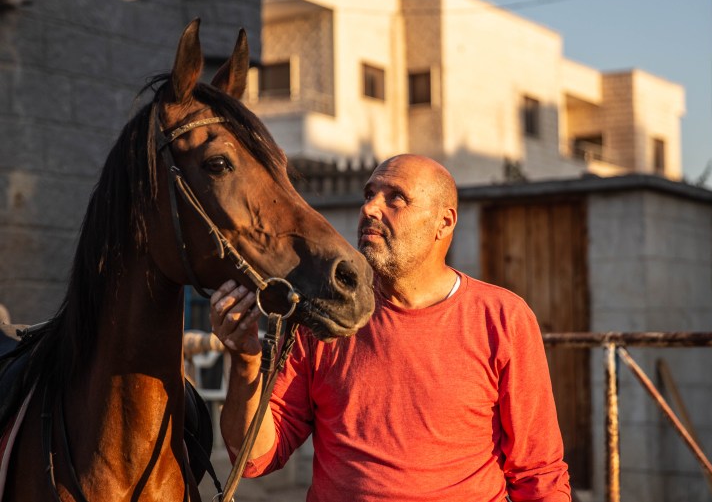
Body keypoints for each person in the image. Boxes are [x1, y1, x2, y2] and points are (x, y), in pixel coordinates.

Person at [210, 154, 571, 501]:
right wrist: (245, 360)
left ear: (443, 223)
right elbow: (255, 458)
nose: (369, 208)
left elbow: (538, 472)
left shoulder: (503, 318)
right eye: (369, 194)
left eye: (395, 197)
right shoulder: (325, 317)